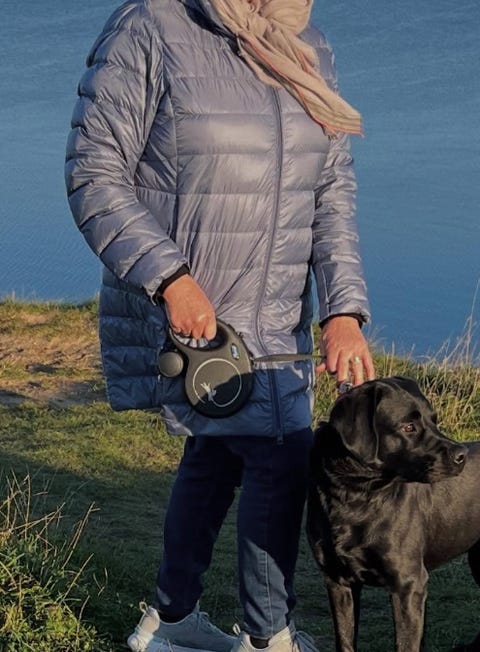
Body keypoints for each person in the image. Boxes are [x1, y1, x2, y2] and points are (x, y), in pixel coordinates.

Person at [65, 0, 375, 651]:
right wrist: (169, 278)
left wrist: (343, 309)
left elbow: (331, 193)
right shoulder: (153, 26)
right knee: (280, 455)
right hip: (195, 317)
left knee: (214, 455)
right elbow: (93, 171)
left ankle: (172, 624)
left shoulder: (305, 41)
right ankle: (268, 638)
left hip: (278, 322)